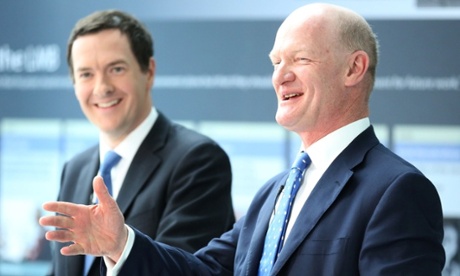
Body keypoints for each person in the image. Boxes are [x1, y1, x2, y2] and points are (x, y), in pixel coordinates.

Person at [40, 3, 445, 275]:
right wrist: (120, 242)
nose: (280, 75)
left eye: (300, 59)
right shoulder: (275, 192)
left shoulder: (398, 190)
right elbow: (203, 272)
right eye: (275, 62)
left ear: (354, 68)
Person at [47, 9, 235, 276]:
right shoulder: (75, 169)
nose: (102, 87)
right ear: (74, 84)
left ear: (149, 72)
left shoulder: (198, 160)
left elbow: (187, 270)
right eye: (86, 74)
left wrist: (121, 247)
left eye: (116, 69)